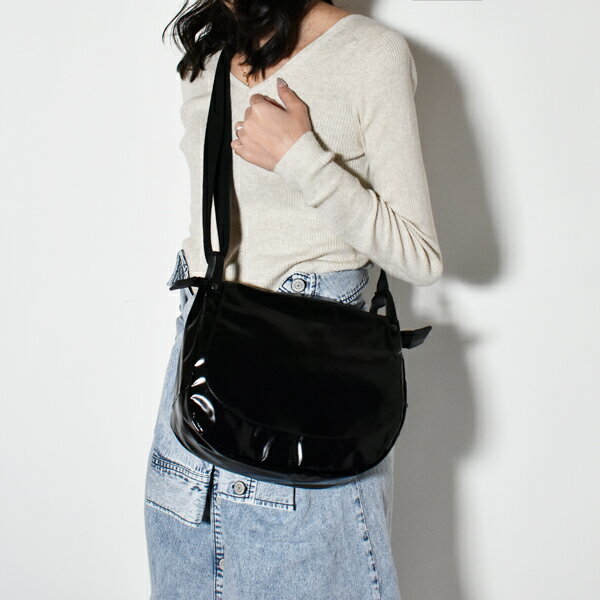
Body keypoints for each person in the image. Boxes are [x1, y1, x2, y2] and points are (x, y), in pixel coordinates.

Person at [144, 1, 443, 598]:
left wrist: (301, 158)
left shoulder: (369, 54)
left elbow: (419, 255)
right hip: (191, 415)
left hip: (309, 402)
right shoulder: (206, 59)